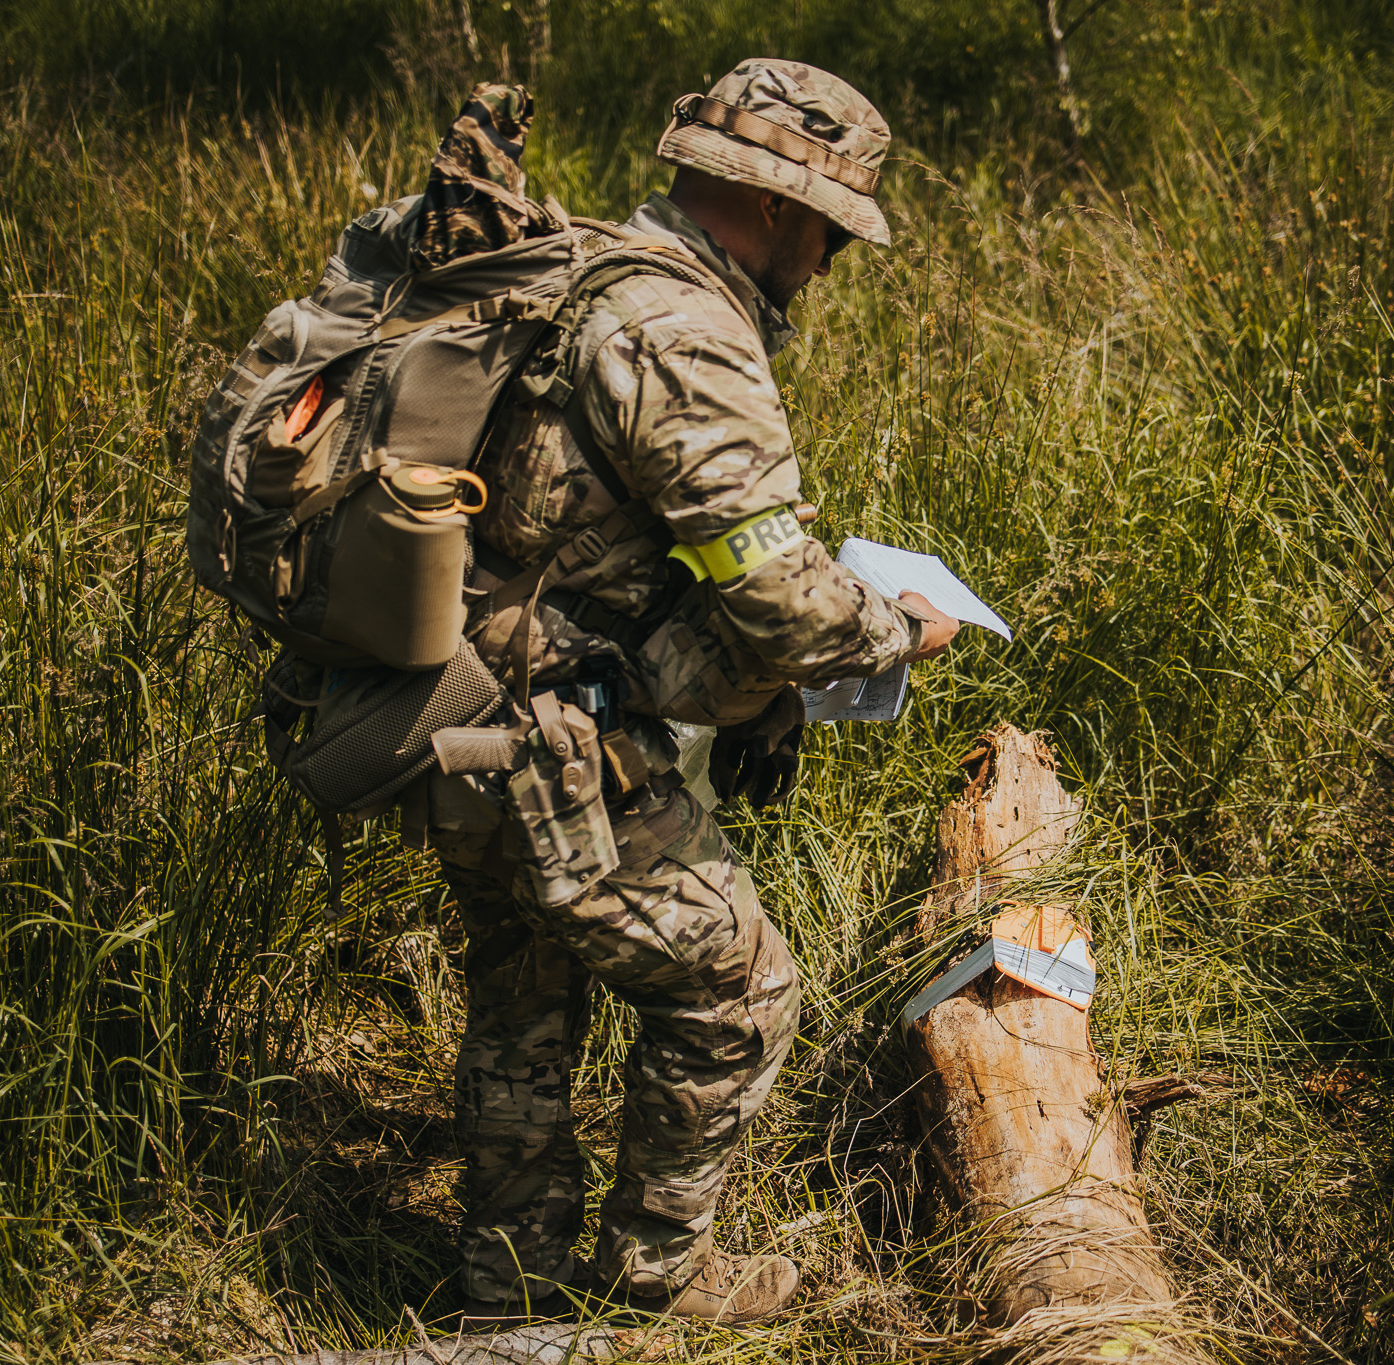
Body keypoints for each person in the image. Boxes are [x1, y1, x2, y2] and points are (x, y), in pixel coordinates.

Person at [429, 59, 960, 1325]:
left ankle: (506, 1279)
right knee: (740, 993)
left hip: (454, 710)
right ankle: (658, 1281)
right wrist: (895, 629)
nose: (830, 261)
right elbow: (779, 600)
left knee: (523, 993)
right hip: (561, 739)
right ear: (777, 207)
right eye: (831, 229)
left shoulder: (583, 267)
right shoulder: (685, 333)